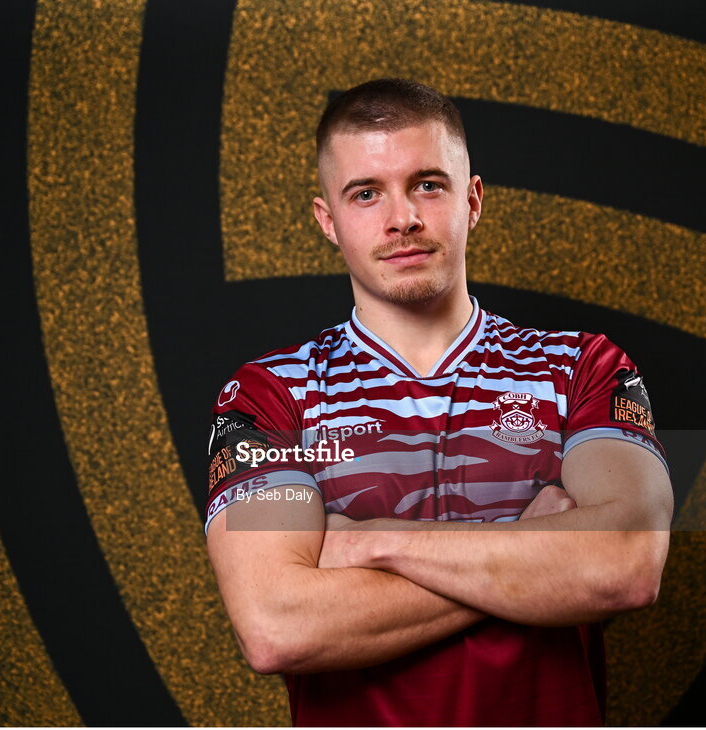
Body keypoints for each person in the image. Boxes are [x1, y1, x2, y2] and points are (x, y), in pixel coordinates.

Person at [204, 78, 672, 727]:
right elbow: (276, 628)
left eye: (427, 184)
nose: (403, 219)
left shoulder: (581, 368)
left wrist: (376, 542)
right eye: (366, 194)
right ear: (327, 220)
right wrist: (533, 552)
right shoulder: (268, 395)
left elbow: (625, 566)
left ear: (472, 199)